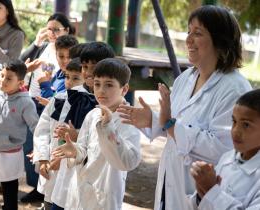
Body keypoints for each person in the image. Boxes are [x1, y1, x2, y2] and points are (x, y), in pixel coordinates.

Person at [117, 5, 252, 210]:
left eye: (197, 33)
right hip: (170, 184)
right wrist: (152, 120)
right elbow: (175, 125)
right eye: (189, 32)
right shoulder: (186, 78)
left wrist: (170, 125)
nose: (188, 39)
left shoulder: (234, 89)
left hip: (206, 195)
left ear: (220, 40)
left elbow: (226, 148)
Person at [52, 58, 141, 210]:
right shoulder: (92, 115)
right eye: (97, 84)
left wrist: (107, 127)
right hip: (80, 192)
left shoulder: (130, 120)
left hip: (104, 196)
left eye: (109, 85)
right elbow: (84, 148)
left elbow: (129, 161)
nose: (101, 90)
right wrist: (75, 151)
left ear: (124, 89)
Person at [19, 13, 75, 202]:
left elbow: (62, 94)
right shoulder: (42, 47)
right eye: (49, 28)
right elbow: (21, 63)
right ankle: (37, 187)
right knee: (33, 144)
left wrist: (46, 86)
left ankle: (47, 193)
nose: (51, 33)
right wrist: (36, 42)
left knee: (51, 145)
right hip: (33, 101)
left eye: (56, 29)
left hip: (50, 104)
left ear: (66, 30)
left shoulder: (71, 55)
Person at [0, 60, 39, 210]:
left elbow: (36, 126)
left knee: (9, 194)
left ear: (20, 82)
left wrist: (39, 149)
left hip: (9, 155)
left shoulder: (26, 102)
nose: (3, 80)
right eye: (2, 75)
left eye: (9, 78)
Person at [34, 57, 96, 210]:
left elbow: (87, 142)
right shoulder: (57, 100)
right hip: (51, 167)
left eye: (76, 78)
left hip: (73, 171)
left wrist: (61, 160)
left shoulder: (91, 105)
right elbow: (42, 130)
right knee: (50, 201)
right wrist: (43, 158)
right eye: (67, 76)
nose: (69, 82)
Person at [190, 89, 260, 210]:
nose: (235, 131)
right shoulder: (227, 158)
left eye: (246, 125)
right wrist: (202, 190)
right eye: (234, 121)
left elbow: (213, 194)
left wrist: (211, 192)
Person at [35, 35, 79, 109]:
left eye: (69, 57)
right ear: (56, 55)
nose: (65, 61)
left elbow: (56, 106)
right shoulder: (58, 73)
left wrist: (45, 84)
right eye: (61, 56)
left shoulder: (74, 81)